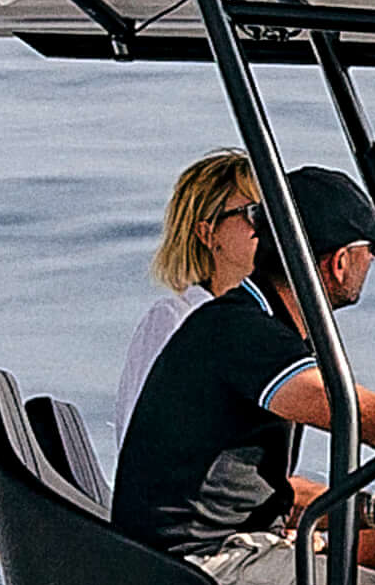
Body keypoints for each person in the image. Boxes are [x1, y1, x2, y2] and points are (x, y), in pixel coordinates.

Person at [102, 166, 375, 585]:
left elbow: (260, 491)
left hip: (214, 555)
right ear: (338, 263)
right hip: (202, 568)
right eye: (372, 247)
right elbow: (371, 420)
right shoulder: (241, 332)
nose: (374, 258)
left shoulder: (250, 323)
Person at [108, 152, 271, 436]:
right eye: (256, 214)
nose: (272, 229)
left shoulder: (267, 326)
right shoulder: (174, 320)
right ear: (208, 234)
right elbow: (140, 445)